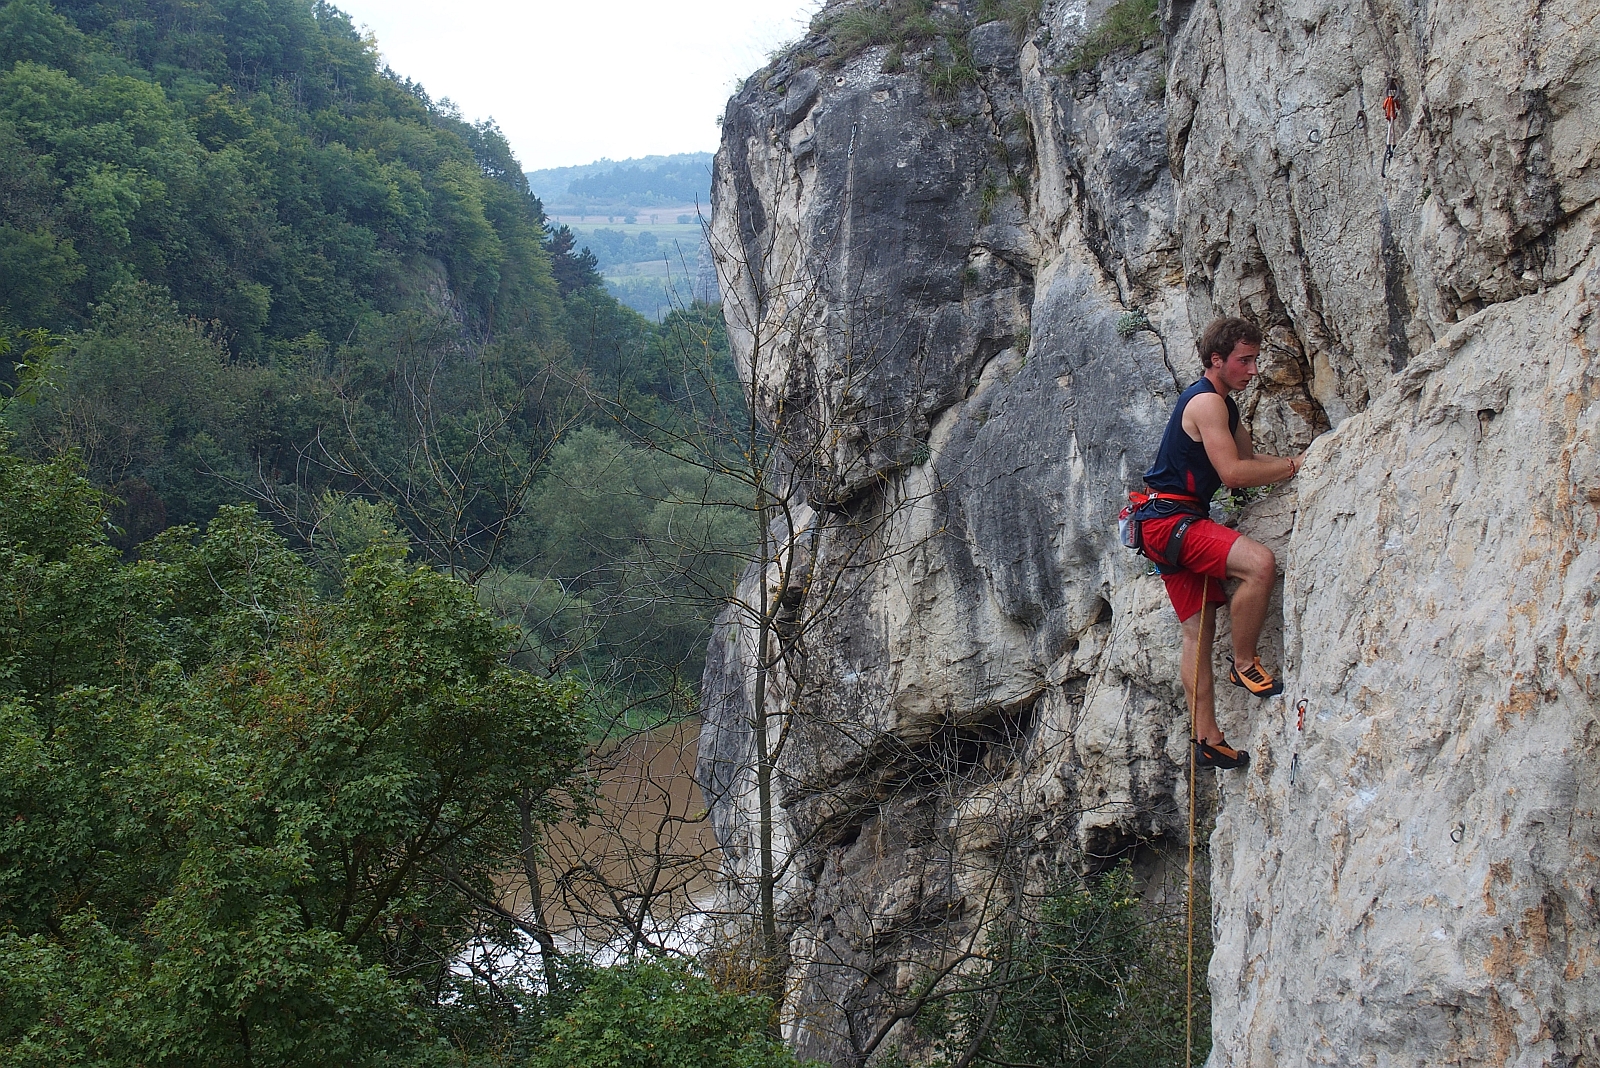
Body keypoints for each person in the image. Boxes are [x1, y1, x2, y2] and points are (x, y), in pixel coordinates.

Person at [1137, 318, 1303, 770]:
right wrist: (1294, 466)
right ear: (1217, 360)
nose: (1253, 369)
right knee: (1259, 564)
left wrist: (1302, 461)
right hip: (1171, 520)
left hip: (1163, 524)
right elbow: (1233, 475)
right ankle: (1244, 662)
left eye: (1254, 359)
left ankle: (1206, 738)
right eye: (1244, 360)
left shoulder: (1225, 408)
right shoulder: (1208, 402)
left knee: (1197, 633)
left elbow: (1249, 460)